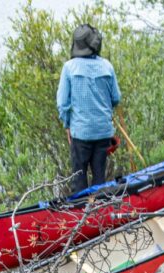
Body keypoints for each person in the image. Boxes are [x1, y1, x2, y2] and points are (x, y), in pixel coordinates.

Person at [56, 24, 121, 194]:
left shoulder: (69, 68)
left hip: (80, 133)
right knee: (100, 179)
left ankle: (81, 213)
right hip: (103, 132)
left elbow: (62, 104)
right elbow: (116, 98)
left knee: (79, 179)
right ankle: (100, 213)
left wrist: (67, 125)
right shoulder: (107, 66)